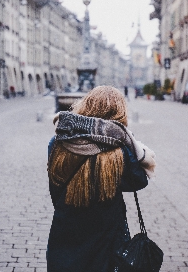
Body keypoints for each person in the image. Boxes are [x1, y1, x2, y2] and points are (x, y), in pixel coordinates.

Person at [46, 85, 156, 272]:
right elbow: (139, 181)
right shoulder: (120, 150)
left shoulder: (58, 142)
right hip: (106, 233)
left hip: (65, 224)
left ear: (86, 104)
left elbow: (55, 182)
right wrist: (135, 148)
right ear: (119, 112)